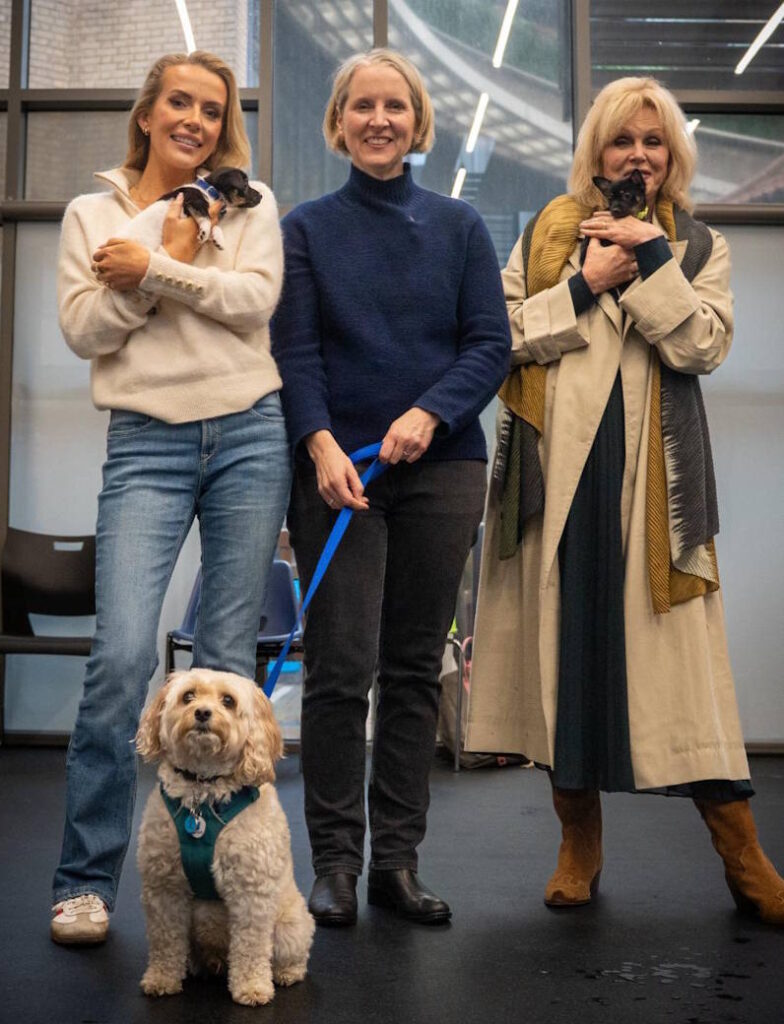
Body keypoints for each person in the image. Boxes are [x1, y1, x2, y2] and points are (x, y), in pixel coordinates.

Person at [465, 75, 784, 924]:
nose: (636, 155)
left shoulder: (698, 243)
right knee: (567, 658)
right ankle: (578, 843)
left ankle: (743, 854)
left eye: (652, 142)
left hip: (656, 487)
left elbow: (703, 346)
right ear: (594, 152)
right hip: (557, 476)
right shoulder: (543, 233)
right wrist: (583, 280)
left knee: (683, 677)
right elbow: (498, 341)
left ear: (671, 156)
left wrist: (645, 260)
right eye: (620, 141)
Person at [51, 51, 291, 944]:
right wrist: (167, 265)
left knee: (227, 667)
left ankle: (225, 890)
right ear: (149, 113)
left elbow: (253, 300)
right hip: (145, 439)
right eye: (179, 103)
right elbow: (84, 329)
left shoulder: (250, 203)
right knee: (119, 665)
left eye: (211, 109)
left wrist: (152, 265)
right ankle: (84, 883)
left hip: (250, 431)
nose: (194, 120)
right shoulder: (90, 213)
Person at [271, 48, 510, 927]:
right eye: (362, 106)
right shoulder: (305, 228)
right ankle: (335, 864)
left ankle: (396, 866)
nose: (379, 120)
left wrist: (429, 414)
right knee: (340, 671)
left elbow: (489, 344)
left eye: (396, 107)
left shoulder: (458, 228)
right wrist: (320, 445)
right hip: (342, 477)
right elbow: (294, 352)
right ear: (339, 122)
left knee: (415, 672)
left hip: (442, 470)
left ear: (418, 123)